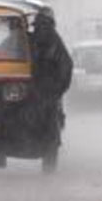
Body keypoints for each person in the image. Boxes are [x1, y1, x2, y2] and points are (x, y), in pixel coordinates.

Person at [30, 12, 73, 144]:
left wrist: (57, 89)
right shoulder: (30, 40)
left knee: (49, 119)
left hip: (45, 90)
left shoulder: (53, 43)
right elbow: (67, 66)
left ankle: (51, 141)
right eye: (39, 25)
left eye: (44, 25)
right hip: (36, 89)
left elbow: (66, 66)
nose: (41, 29)